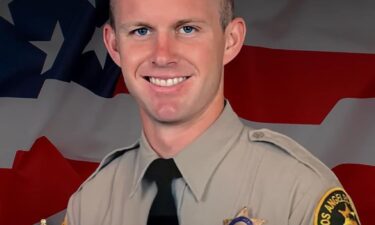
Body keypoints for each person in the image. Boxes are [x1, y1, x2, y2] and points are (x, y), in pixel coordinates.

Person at [66, 0, 361, 224]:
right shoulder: (90, 204)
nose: (163, 55)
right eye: (141, 31)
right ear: (114, 45)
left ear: (230, 40)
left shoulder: (299, 195)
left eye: (187, 29)